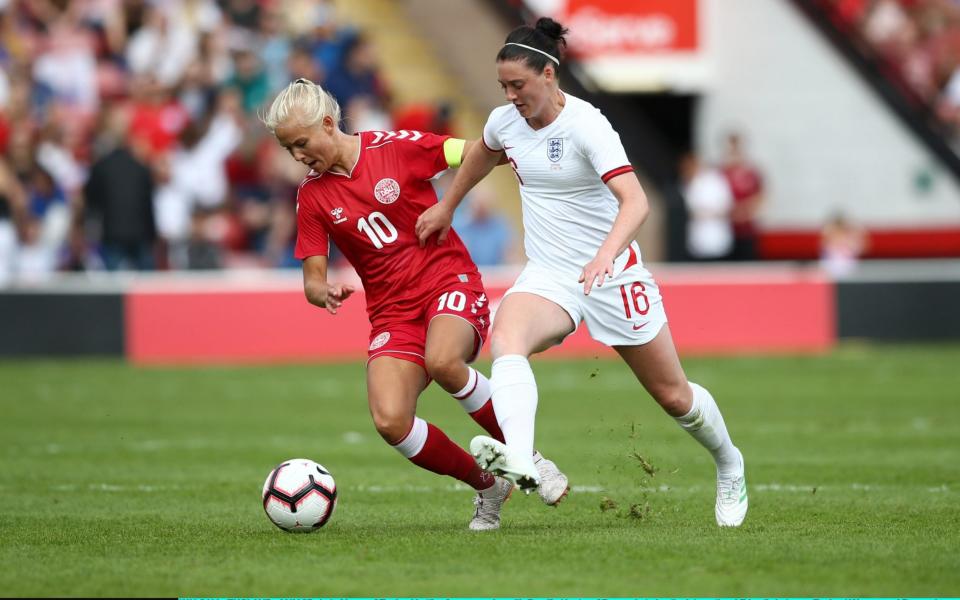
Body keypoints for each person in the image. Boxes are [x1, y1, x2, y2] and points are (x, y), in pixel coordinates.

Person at [415, 18, 748, 527]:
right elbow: (482, 154)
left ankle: (729, 463)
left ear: (549, 74)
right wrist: (447, 207)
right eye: (503, 86)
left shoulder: (588, 125)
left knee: (673, 395)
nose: (510, 96)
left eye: (518, 86)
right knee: (507, 340)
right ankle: (523, 460)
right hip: (550, 273)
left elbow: (636, 202)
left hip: (612, 274)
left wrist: (605, 256)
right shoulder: (505, 122)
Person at [260, 78, 568, 531]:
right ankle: (487, 484)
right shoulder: (312, 196)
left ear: (327, 124)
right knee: (390, 420)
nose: (299, 157)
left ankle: (530, 458)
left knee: (443, 360)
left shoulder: (396, 146)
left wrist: (455, 201)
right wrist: (321, 291)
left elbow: (478, 151)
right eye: (290, 150)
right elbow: (312, 278)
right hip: (392, 313)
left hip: (448, 281)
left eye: (301, 143)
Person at [679, 151, 734, 261]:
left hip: (718, 237)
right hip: (699, 239)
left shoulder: (718, 181)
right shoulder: (692, 182)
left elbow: (726, 205)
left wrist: (709, 213)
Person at [720, 132, 765, 261]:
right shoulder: (720, 174)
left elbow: (760, 196)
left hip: (747, 229)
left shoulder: (751, 173)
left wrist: (746, 211)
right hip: (726, 230)